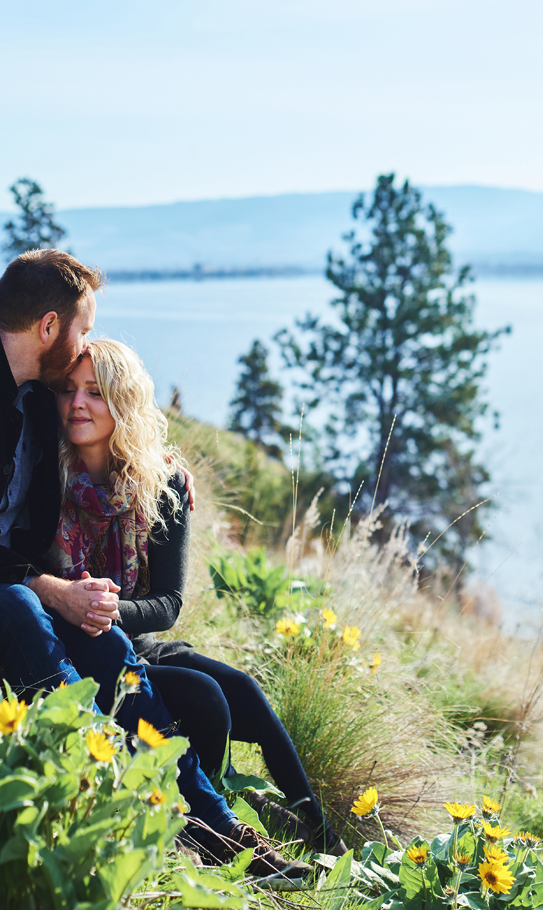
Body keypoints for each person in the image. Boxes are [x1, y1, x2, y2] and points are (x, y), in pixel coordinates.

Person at [0, 249, 310, 884]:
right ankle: (108, 779)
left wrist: (76, 600)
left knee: (109, 640)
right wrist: (51, 590)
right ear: (49, 327)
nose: (86, 344)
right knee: (25, 607)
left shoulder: (35, 402)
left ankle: (219, 829)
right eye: (84, 329)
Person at [48, 338, 346, 857]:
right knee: (204, 698)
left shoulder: (160, 484)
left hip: (135, 634)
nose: (78, 403)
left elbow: (168, 603)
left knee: (243, 690)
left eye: (95, 392)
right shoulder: (44, 475)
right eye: (69, 390)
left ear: (124, 402)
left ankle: (322, 839)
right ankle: (207, 821)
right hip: (79, 647)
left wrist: (113, 607)